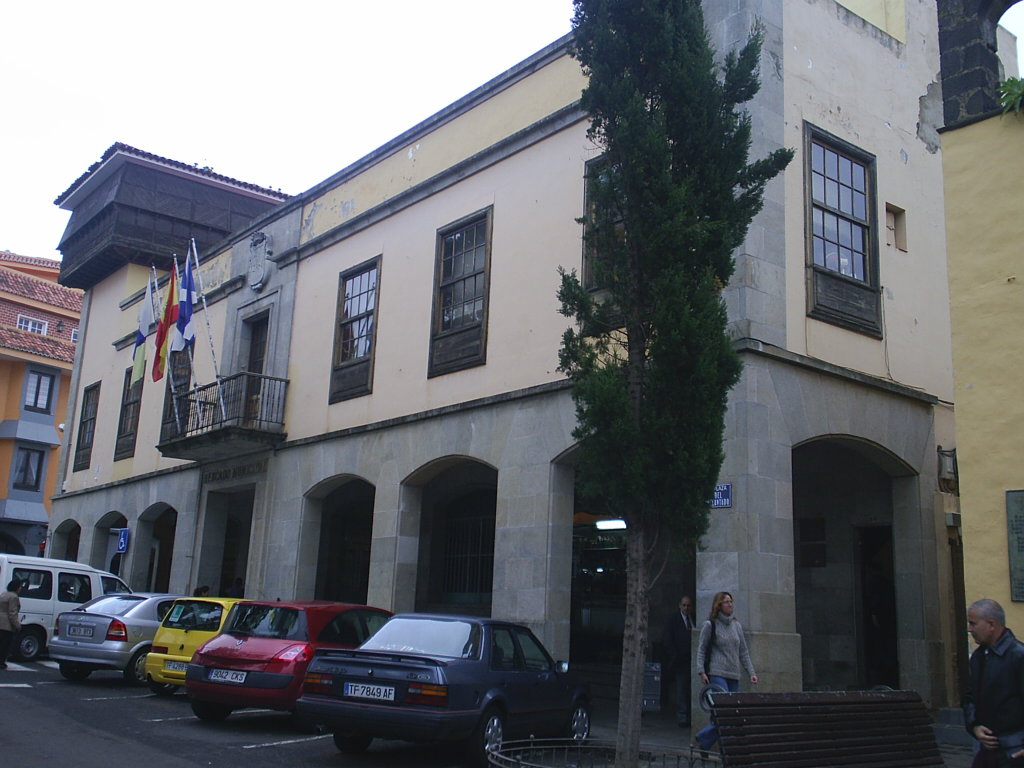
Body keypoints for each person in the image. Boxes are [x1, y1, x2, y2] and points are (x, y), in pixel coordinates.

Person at [693, 591, 758, 752]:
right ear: (719, 605)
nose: (730, 604)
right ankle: (729, 749)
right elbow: (701, 649)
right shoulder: (711, 625)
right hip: (717, 673)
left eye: (731, 601)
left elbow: (743, 651)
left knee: (726, 714)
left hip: (734, 674)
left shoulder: (736, 626)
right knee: (725, 712)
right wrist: (701, 671)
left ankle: (704, 741)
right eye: (726, 602)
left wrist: (751, 672)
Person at [963, 598, 1024, 767]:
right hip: (988, 751)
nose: (969, 629)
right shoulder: (978, 657)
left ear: (991, 624)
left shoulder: (1018, 655)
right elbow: (970, 698)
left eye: (973, 624)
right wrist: (974, 726)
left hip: (1015, 750)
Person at [662, 595, 696, 726]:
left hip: (692, 659)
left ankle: (689, 714)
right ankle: (682, 716)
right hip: (680, 659)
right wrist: (674, 655)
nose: (686, 608)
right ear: (679, 606)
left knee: (689, 688)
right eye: (684, 605)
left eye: (689, 606)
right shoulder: (673, 619)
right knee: (682, 688)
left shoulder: (693, 618)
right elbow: (667, 638)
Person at [0, 578, 23, 669]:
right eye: (20, 586)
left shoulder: (3, 594)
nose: (21, 588)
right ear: (17, 587)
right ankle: (1, 662)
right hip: (7, 625)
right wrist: (17, 625)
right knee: (5, 645)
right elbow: (12, 613)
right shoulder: (14, 597)